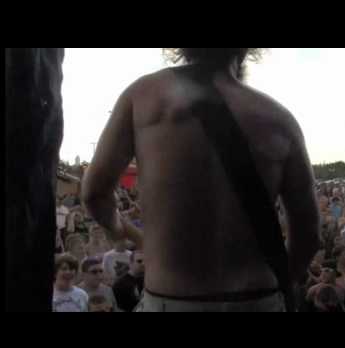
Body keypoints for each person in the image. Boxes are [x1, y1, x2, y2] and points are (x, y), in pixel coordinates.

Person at [82, 48, 320, 312]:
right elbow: (309, 234)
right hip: (258, 298)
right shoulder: (280, 120)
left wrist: (128, 234)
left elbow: (94, 194)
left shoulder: (144, 96)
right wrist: (281, 288)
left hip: (171, 300)